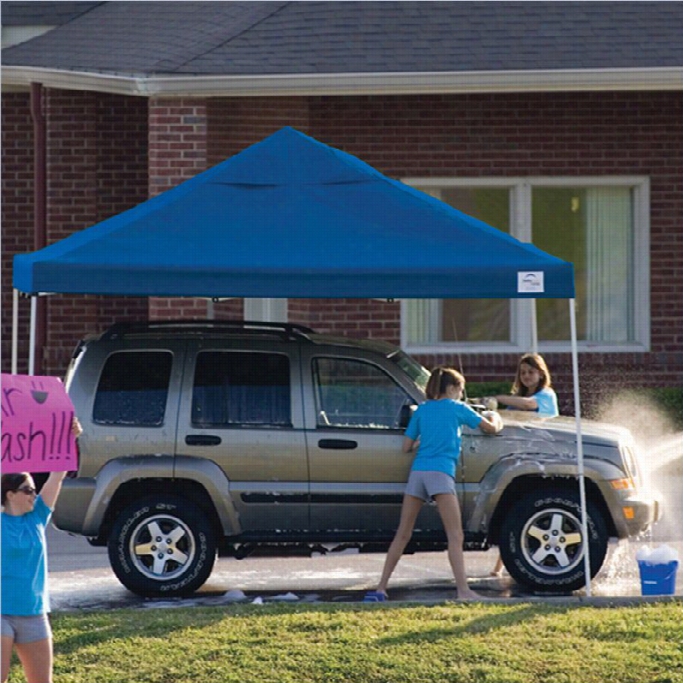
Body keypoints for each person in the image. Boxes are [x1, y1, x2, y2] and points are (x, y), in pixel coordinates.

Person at [366, 367, 503, 602]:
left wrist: (424, 441)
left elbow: (406, 447)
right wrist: (496, 416)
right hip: (441, 474)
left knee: (403, 533)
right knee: (455, 535)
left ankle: (380, 588)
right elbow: (490, 428)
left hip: (418, 473)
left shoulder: (422, 410)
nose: (461, 394)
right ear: (451, 389)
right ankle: (463, 591)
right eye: (460, 389)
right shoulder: (457, 408)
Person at [1, 418, 82, 683]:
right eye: (27, 490)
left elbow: (57, 476)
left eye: (34, 490)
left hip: (34, 613)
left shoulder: (37, 518)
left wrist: (69, 438)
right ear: (10, 494)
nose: (33, 494)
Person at [488, 353, 558, 577]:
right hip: (520, 459)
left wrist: (498, 398)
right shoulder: (516, 399)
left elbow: (529, 405)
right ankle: (499, 568)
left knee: (527, 513)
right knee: (514, 513)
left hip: (544, 459)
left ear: (541, 373)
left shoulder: (545, 395)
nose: (527, 376)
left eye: (531, 372)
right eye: (523, 372)